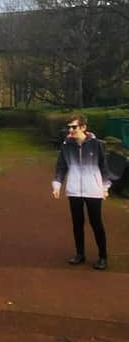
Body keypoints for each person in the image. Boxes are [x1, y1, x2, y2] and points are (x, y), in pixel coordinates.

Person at [52, 115, 111, 270]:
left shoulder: (97, 145)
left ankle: (103, 256)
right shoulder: (66, 145)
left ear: (84, 127)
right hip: (74, 190)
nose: (70, 130)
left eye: (74, 127)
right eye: (69, 127)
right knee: (77, 223)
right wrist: (57, 185)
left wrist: (105, 187)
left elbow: (104, 167)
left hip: (93, 190)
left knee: (96, 223)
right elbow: (61, 167)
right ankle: (80, 254)